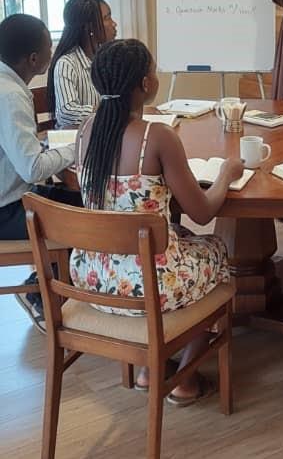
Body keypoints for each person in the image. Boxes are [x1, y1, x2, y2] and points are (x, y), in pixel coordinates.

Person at [71, 38, 244, 403]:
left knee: (178, 235)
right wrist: (226, 175)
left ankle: (150, 369)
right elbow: (202, 212)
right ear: (146, 84)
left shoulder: (85, 131)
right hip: (148, 286)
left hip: (93, 277)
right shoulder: (157, 136)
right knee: (218, 251)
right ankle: (185, 379)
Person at [0, 13, 81, 331]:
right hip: (6, 210)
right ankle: (38, 293)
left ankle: (51, 285)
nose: (52, 50)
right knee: (89, 217)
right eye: (49, 46)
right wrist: (78, 147)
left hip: (11, 196)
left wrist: (49, 150)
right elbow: (32, 169)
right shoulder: (10, 95)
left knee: (82, 201)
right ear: (33, 58)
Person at [47, 0, 117, 128]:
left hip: (102, 132)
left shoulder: (106, 59)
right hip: (75, 137)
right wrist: (108, 110)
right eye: (107, 18)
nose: (114, 24)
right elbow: (66, 113)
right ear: (89, 27)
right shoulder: (66, 64)